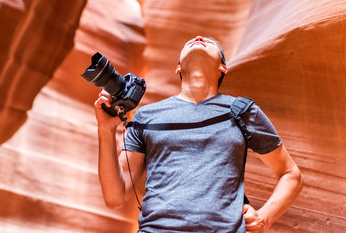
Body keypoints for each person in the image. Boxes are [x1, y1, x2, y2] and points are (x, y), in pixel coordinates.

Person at [94, 36, 303, 232]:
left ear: (222, 67)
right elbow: (115, 195)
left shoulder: (241, 111)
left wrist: (265, 217)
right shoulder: (146, 116)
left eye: (210, 42)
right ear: (178, 68)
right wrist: (106, 130)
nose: (199, 38)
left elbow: (290, 174)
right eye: (190, 42)